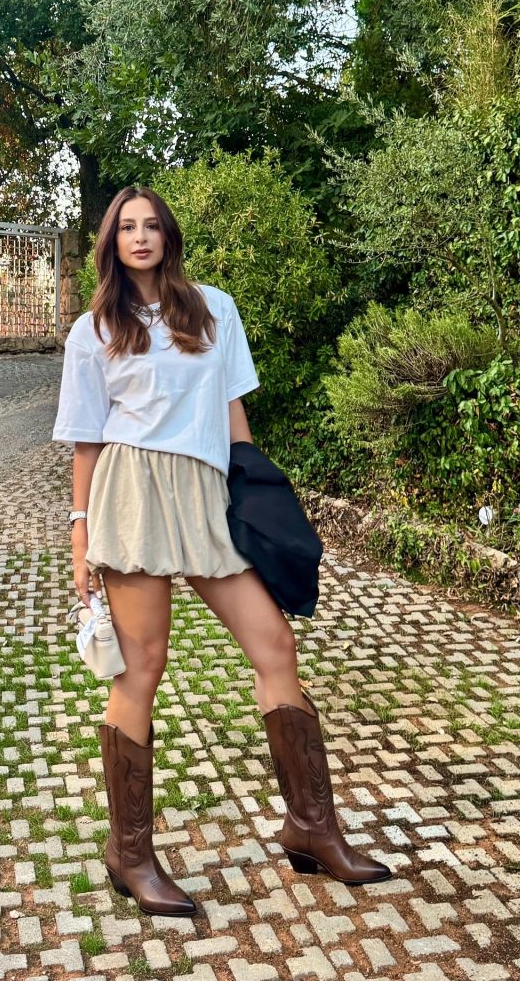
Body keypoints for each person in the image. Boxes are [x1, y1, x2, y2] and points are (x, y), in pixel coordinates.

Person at [52, 186, 391, 917]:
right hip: (133, 492)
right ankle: (130, 853)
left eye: (151, 226)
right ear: (110, 242)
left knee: (274, 644)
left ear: (169, 236)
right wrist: (81, 530)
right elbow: (86, 435)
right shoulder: (95, 329)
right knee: (143, 667)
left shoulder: (213, 308)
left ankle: (311, 826)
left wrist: (258, 493)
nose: (139, 237)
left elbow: (234, 408)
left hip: (207, 494)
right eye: (126, 228)